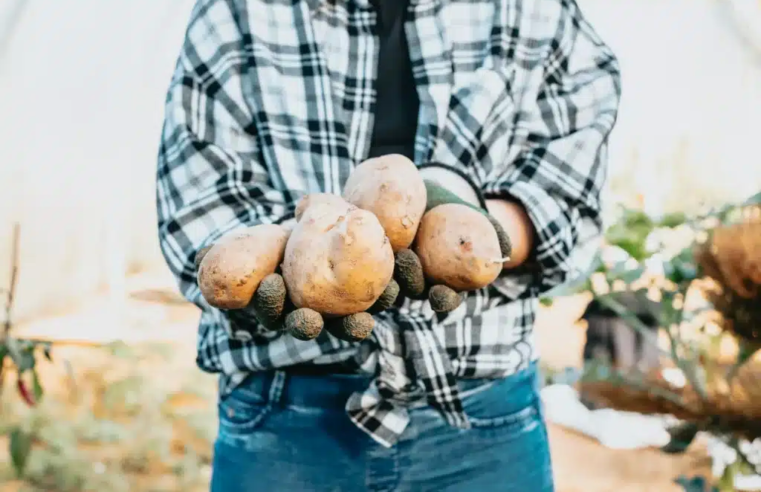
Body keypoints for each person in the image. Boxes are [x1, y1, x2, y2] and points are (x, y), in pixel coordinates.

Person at [156, 0, 621, 490]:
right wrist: (289, 263)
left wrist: (467, 218)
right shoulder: (238, 10)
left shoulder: (533, 9)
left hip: (482, 417)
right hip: (286, 416)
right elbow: (197, 213)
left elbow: (569, 193)